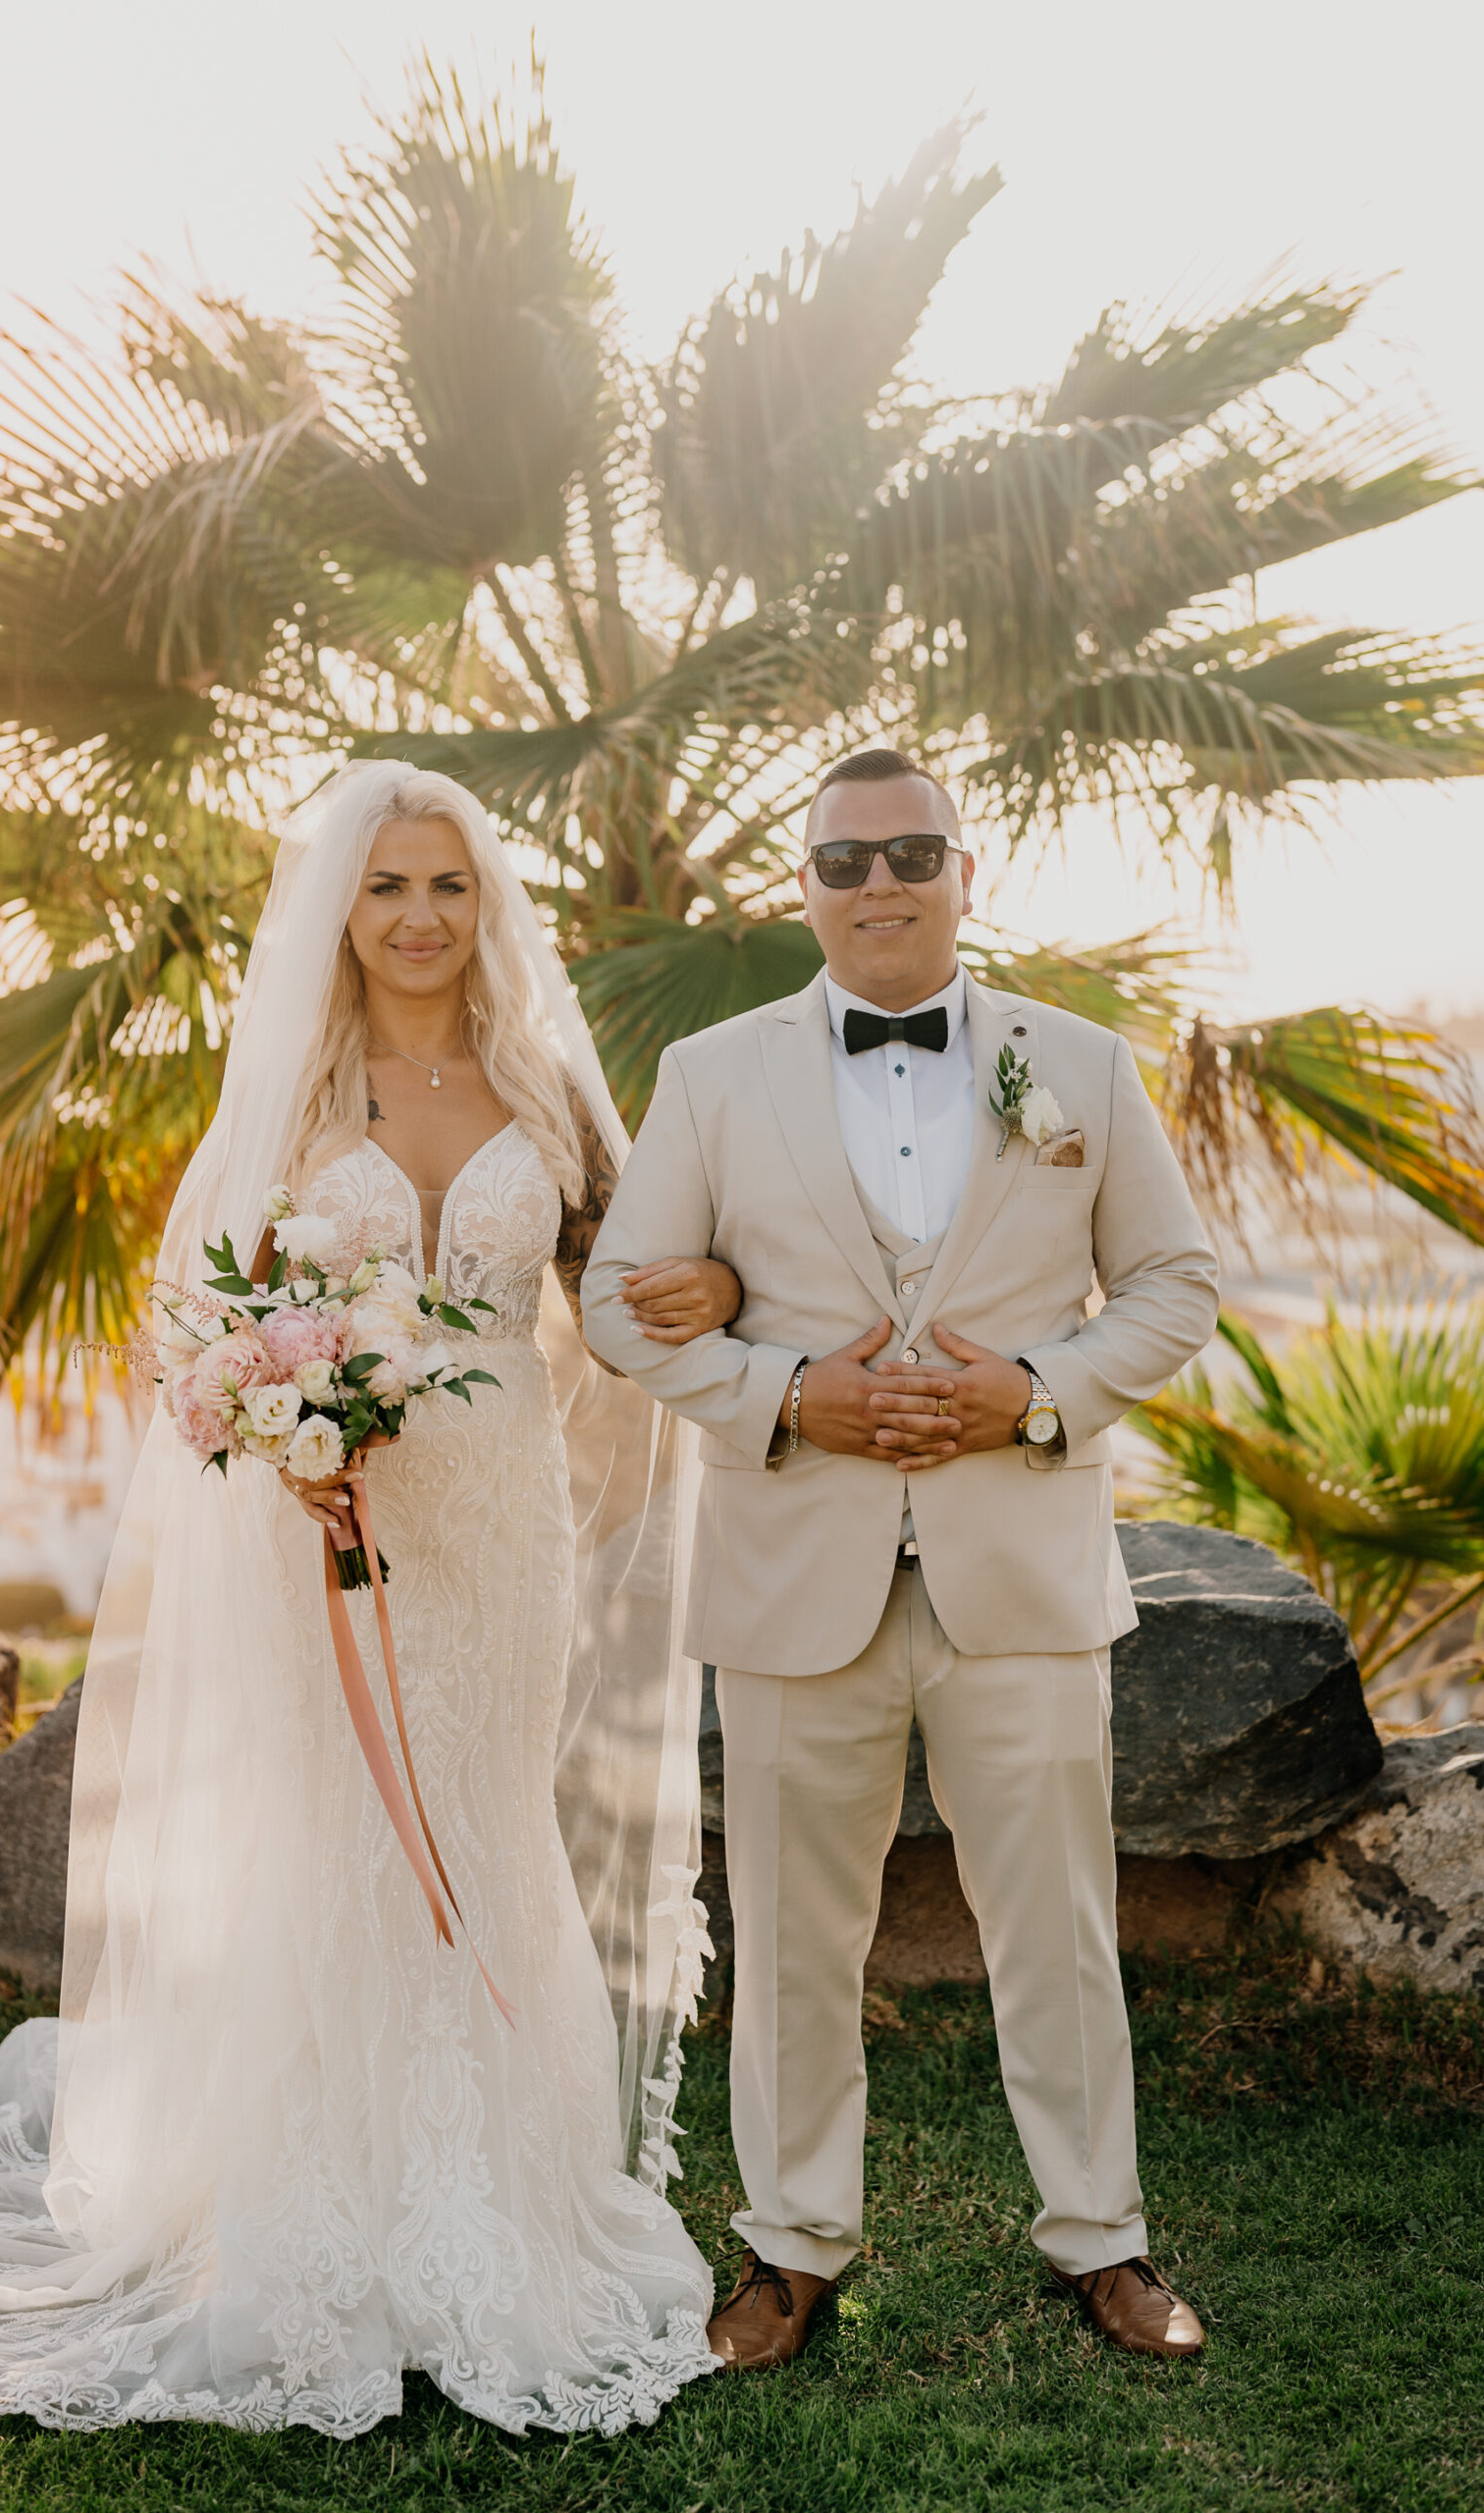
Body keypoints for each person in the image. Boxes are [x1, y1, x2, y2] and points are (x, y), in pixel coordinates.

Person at [0, 762, 739, 2437]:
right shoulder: (297, 1099)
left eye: (449, 885)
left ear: (487, 905)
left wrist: (719, 1284)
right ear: (340, 909)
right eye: (387, 887)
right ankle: (312, 2211)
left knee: (482, 1824)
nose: (419, 917)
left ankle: (494, 2202)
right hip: (335, 1523)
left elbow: (613, 1304)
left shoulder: (546, 1091)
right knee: (341, 1843)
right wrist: (279, 1428)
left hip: (500, 1530)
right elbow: (199, 1331)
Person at [582, 745, 1220, 2368]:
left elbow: (1174, 1284)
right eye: (847, 862)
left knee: (1061, 1928)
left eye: (911, 854)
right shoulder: (714, 1075)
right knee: (794, 1938)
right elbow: (615, 1300)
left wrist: (1038, 1396)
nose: (880, 886)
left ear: (964, 869)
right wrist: (792, 1389)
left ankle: (1107, 2241)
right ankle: (789, 2251)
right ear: (805, 886)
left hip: (1023, 1574)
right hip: (799, 1568)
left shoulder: (1079, 1061)